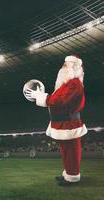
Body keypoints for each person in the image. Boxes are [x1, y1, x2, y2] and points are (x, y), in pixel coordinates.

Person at [25, 55, 87, 186]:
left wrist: (41, 96)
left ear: (73, 68)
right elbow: (57, 99)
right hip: (63, 123)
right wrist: (43, 97)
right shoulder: (67, 83)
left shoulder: (74, 83)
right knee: (66, 151)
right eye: (64, 64)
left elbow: (60, 101)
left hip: (69, 123)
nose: (63, 67)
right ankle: (68, 174)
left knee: (71, 152)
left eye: (66, 65)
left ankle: (73, 177)